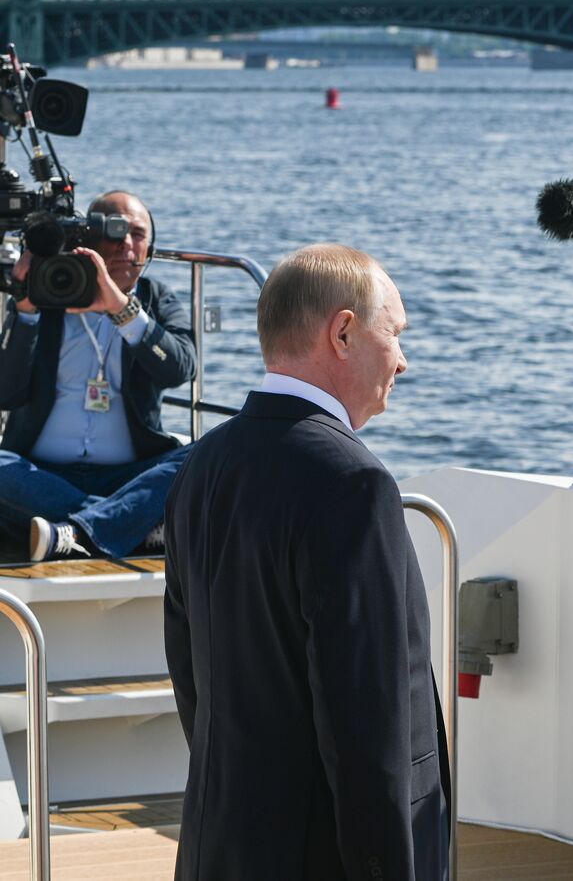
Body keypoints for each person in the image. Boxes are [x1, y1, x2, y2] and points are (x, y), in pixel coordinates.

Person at [163, 243, 450, 880]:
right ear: (343, 332)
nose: (402, 361)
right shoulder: (353, 483)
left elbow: (191, 677)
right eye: (395, 334)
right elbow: (365, 723)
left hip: (222, 844)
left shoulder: (201, 466)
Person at [0, 190, 195, 562]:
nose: (125, 243)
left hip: (130, 473)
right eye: (112, 231)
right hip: (41, 474)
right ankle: (122, 522)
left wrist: (123, 311)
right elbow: (5, 392)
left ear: (149, 249)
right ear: (87, 238)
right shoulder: (48, 293)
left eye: (136, 233)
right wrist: (24, 308)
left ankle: (74, 532)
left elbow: (180, 368)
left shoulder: (156, 300)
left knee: (206, 453)